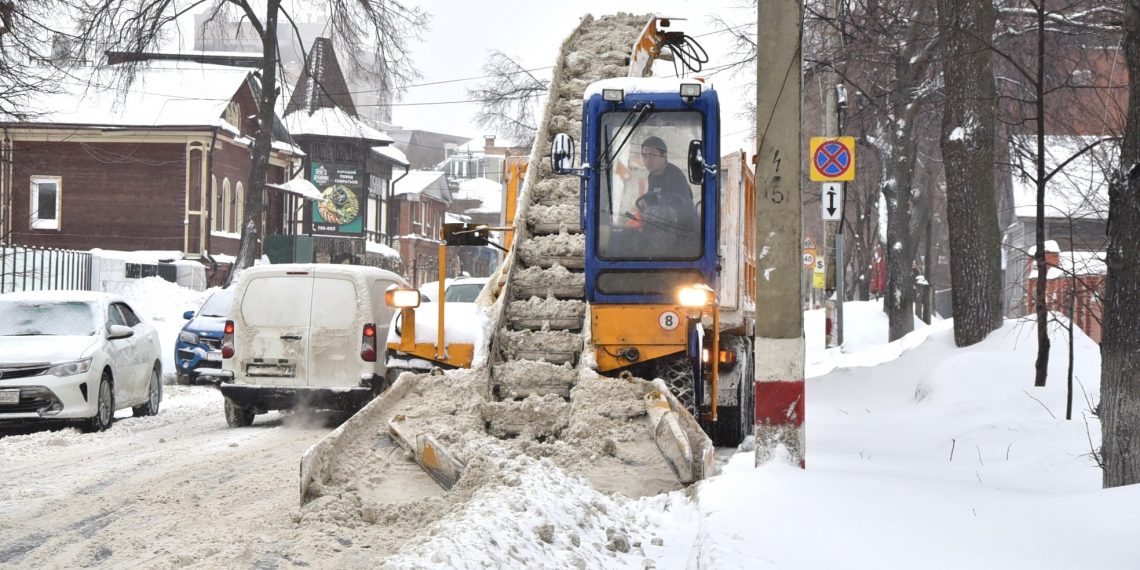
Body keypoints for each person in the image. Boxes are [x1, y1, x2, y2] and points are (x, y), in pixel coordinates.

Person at [627, 136, 698, 250]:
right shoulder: (653, 176)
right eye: (645, 156)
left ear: (664, 156)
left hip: (682, 231)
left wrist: (656, 203)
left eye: (652, 155)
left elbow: (681, 205)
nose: (648, 160)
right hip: (661, 226)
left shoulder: (675, 176)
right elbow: (652, 200)